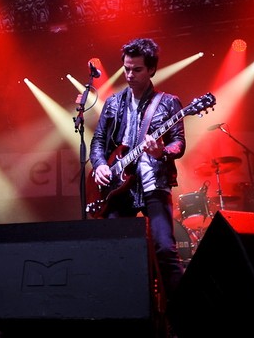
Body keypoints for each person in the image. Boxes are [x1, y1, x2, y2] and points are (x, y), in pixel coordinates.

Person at [89, 37, 187, 307]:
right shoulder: (112, 103)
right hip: (119, 188)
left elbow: (179, 142)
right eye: (126, 69)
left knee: (164, 249)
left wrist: (162, 152)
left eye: (137, 70)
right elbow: (98, 142)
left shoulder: (168, 102)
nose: (130, 75)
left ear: (152, 69)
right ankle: (121, 312)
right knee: (114, 250)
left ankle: (182, 320)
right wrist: (99, 166)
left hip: (154, 182)